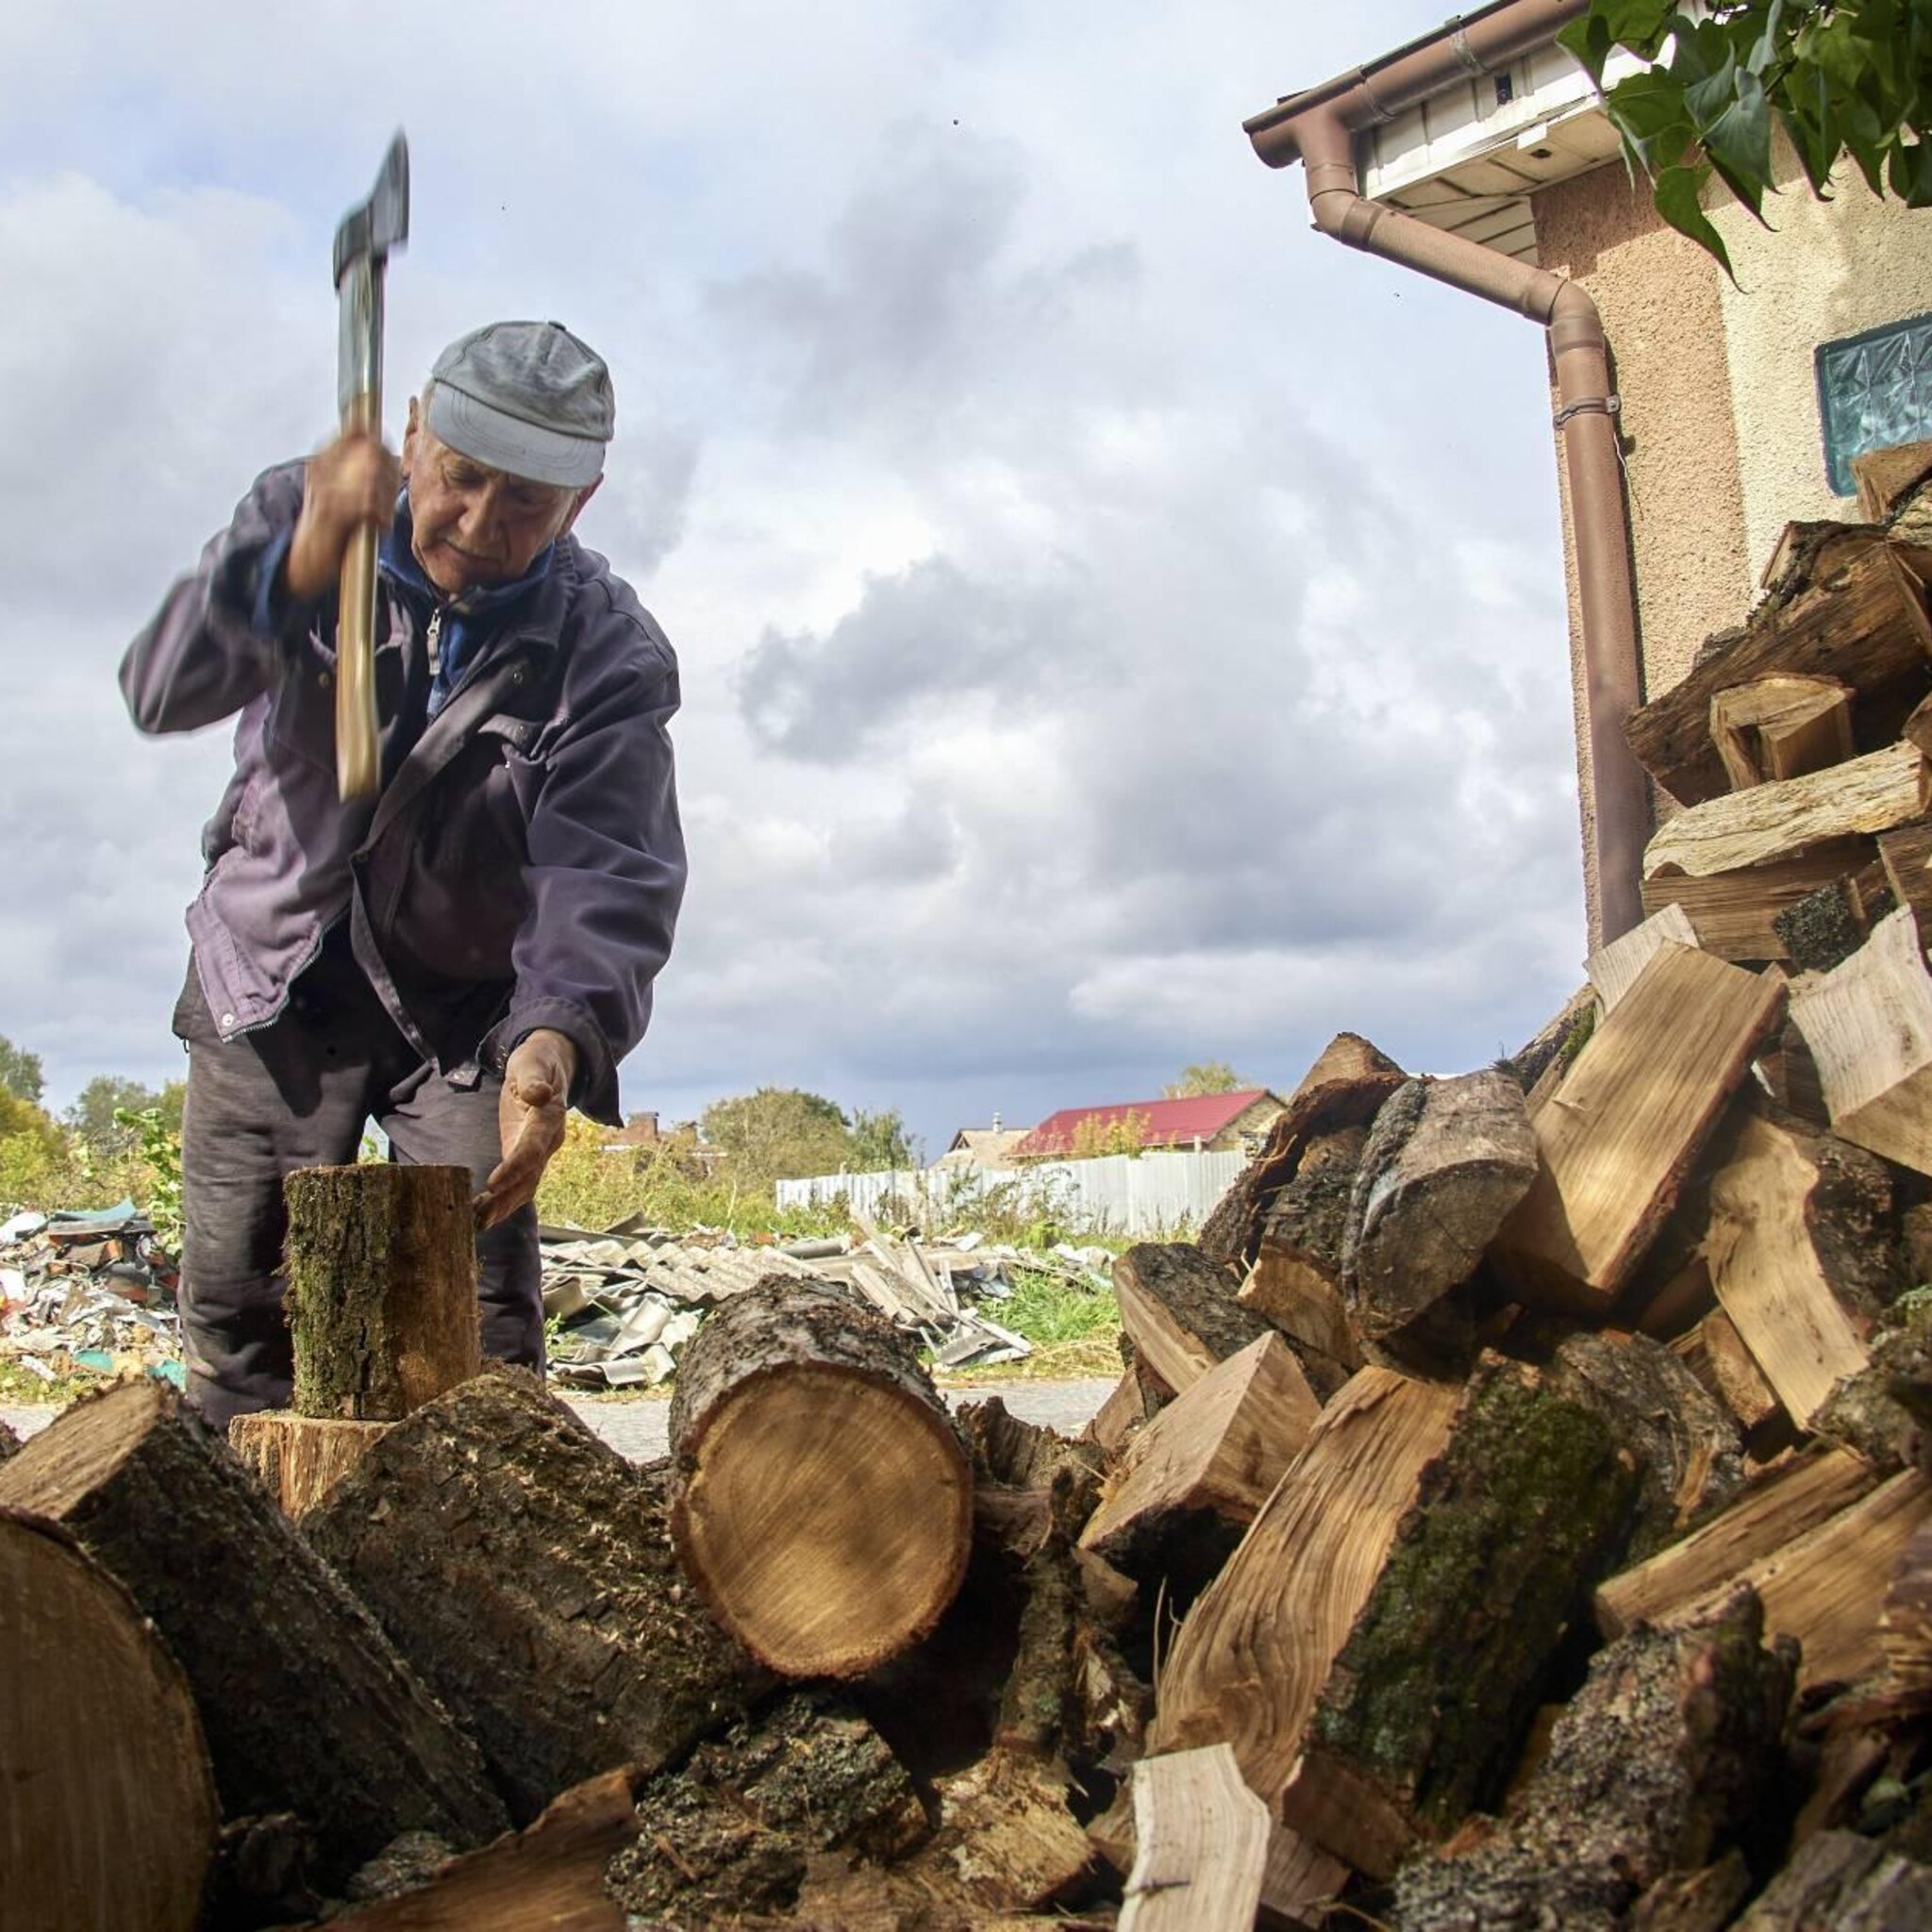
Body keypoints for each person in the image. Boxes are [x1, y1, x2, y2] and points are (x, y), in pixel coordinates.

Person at [121, 320, 686, 1429]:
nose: (478, 522)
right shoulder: (302, 514)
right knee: (240, 1318)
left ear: (585, 500)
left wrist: (555, 1035)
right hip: (272, 978)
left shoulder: (608, 652)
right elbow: (162, 686)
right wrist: (287, 565)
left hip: (466, 1018)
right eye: (459, 476)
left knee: (480, 1335)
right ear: (414, 432)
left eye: (526, 501)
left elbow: (603, 869)